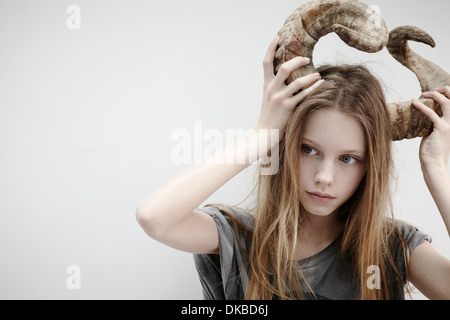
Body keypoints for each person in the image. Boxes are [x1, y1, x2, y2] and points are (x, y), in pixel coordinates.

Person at [136, 35, 450, 299]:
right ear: (288, 146)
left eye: (348, 158)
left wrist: (435, 167)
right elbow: (155, 218)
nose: (324, 177)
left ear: (371, 166)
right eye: (309, 149)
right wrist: (263, 133)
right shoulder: (238, 237)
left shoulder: (393, 247)